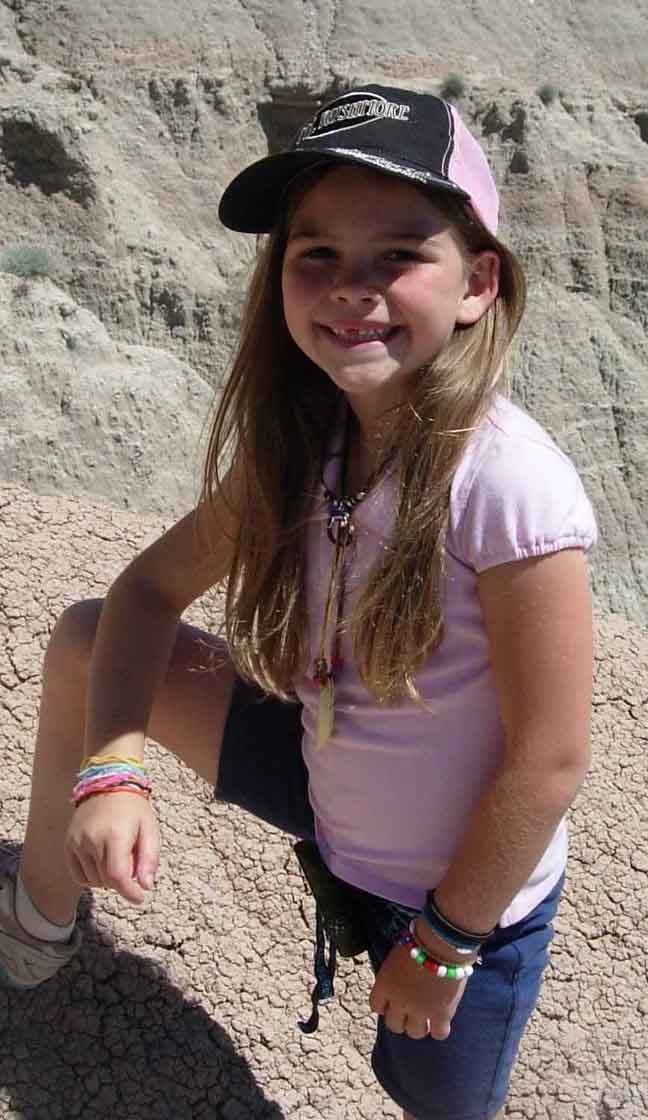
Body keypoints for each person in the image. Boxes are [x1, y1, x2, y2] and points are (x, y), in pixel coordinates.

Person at [0, 84, 596, 1120]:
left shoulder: (507, 485)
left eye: (398, 255)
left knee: (433, 1092)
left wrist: (448, 943)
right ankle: (43, 913)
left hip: (456, 897)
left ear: (478, 282)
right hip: (327, 778)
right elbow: (142, 593)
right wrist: (113, 768)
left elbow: (549, 760)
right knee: (91, 640)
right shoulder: (306, 448)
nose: (350, 288)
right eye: (316, 254)